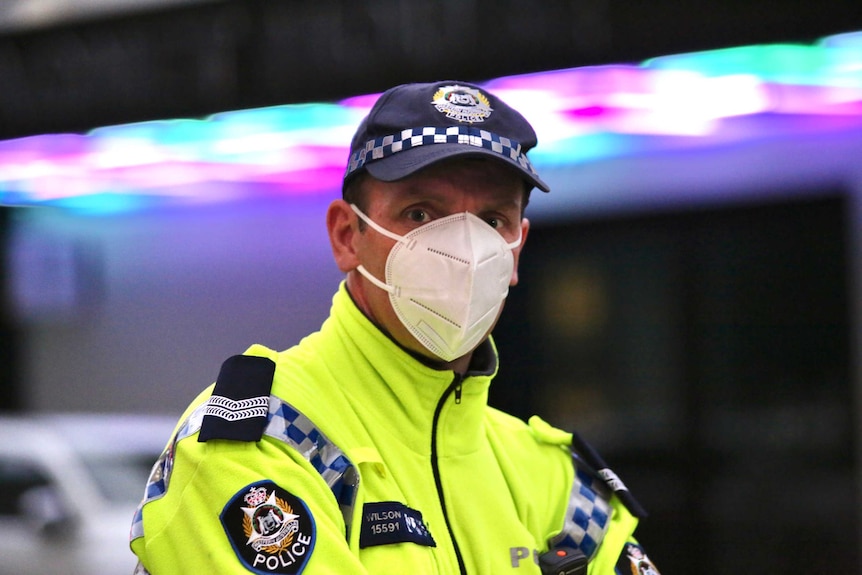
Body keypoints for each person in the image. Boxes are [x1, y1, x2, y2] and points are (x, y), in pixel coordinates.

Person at [129, 80, 660, 575]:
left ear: (516, 248)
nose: (465, 249)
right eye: (421, 214)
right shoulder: (265, 442)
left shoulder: (557, 481)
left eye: (492, 220)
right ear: (346, 236)